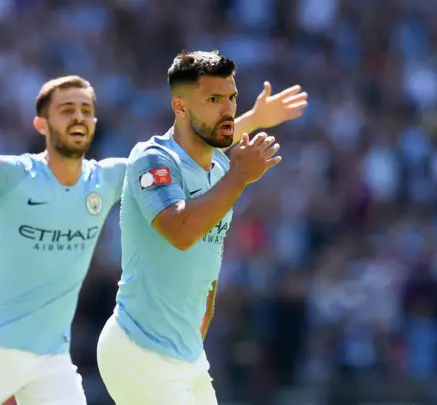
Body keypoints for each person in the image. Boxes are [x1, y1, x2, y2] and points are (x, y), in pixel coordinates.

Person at [0, 70, 305, 405]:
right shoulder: (14, 175)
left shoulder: (109, 178)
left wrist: (245, 120)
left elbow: (186, 151)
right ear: (41, 124)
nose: (79, 117)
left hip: (51, 353)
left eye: (86, 110)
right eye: (66, 110)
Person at [96, 51, 295, 404]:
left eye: (231, 97)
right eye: (214, 99)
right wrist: (240, 176)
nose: (228, 109)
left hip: (186, 355)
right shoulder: (153, 159)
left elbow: (220, 142)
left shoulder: (218, 168)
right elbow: (181, 230)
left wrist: (256, 118)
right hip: (140, 349)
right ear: (181, 107)